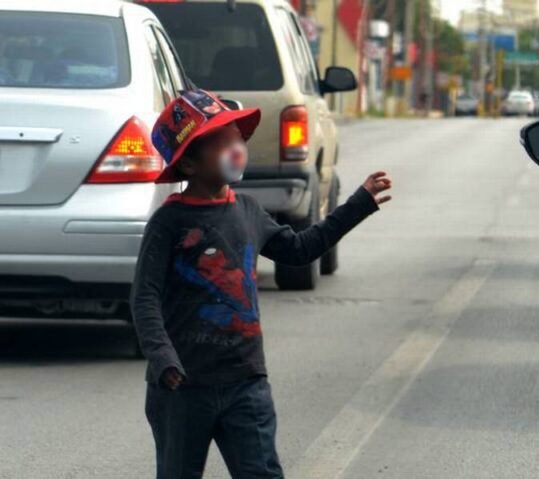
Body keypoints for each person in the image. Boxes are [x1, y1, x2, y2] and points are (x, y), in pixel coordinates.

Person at [131, 89, 392, 479]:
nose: (235, 148)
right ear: (188, 164)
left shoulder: (248, 211)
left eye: (236, 137)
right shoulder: (169, 222)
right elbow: (144, 296)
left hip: (246, 382)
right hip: (182, 388)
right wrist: (162, 357)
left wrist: (359, 203)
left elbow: (302, 249)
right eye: (219, 141)